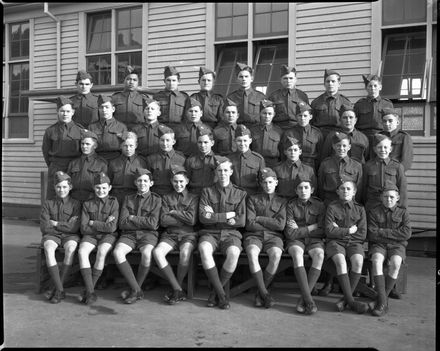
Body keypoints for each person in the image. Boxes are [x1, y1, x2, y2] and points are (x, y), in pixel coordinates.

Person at [198, 156, 247, 309]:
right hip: (210, 233)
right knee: (204, 250)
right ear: (216, 172)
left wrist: (214, 216)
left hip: (231, 234)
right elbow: (203, 218)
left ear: (231, 172)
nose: (222, 173)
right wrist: (228, 215)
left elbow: (241, 221)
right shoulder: (207, 192)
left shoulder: (240, 194)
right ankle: (222, 295)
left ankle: (214, 294)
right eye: (220, 170)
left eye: (226, 170)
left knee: (234, 253)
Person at [113, 168, 162, 304]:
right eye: (139, 181)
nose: (142, 183)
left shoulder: (156, 200)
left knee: (147, 253)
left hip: (148, 235)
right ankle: (137, 289)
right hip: (129, 235)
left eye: (145, 181)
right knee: (118, 252)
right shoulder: (128, 199)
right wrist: (142, 222)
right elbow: (122, 223)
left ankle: (135, 290)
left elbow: (153, 224)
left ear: (151, 183)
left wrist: (133, 218)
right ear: (135, 183)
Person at [153, 165, 199, 304]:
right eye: (175, 181)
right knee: (157, 252)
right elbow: (164, 220)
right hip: (170, 235)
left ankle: (176, 289)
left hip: (188, 235)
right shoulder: (166, 198)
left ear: (187, 181)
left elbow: (192, 220)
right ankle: (177, 288)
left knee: (185, 253)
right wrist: (183, 217)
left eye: (181, 181)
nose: (178, 184)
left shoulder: (193, 197)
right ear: (171, 182)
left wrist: (174, 213)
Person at [324, 178, 369, 314]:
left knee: (358, 261)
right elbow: (329, 231)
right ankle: (351, 301)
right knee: (341, 262)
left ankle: (345, 299)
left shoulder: (360, 209)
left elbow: (362, 234)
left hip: (354, 243)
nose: (345, 191)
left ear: (354, 192)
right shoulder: (332, 207)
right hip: (335, 243)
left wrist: (339, 231)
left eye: (349, 189)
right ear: (337, 191)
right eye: (342, 188)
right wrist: (348, 231)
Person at [244, 168, 287, 308]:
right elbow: (250, 224)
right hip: (254, 236)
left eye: (270, 182)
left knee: (276, 255)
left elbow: (280, 226)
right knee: (252, 253)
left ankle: (259, 293)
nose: (268, 185)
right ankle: (264, 292)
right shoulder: (253, 199)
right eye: (265, 182)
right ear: (261, 184)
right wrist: (270, 224)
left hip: (274, 237)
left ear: (276, 183)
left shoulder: (282, 201)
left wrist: (260, 218)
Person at [367, 181, 412, 316]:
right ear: (381, 198)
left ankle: (381, 300)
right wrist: (393, 234)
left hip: (397, 246)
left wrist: (382, 232)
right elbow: (372, 233)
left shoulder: (403, 213)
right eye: (386, 197)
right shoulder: (374, 212)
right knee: (376, 260)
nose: (389, 199)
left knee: (396, 263)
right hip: (379, 245)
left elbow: (406, 233)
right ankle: (383, 302)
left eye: (392, 197)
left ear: (397, 198)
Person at [285, 175, 325, 315]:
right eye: (300, 188)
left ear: (312, 190)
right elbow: (290, 234)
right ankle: (309, 300)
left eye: (306, 188)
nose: (303, 190)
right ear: (296, 191)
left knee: (319, 255)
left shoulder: (320, 205)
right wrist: (311, 228)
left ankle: (303, 299)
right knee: (297, 253)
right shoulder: (290, 205)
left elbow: (322, 230)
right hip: (297, 241)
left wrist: (300, 230)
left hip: (314, 240)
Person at [40, 171, 81, 303]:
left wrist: (56, 223)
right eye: (58, 187)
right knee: (48, 248)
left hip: (70, 236)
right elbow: (45, 227)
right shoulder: (48, 203)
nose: (61, 190)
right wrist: (66, 224)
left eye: (64, 187)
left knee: (70, 249)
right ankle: (60, 289)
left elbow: (74, 228)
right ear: (54, 187)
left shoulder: (76, 204)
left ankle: (57, 288)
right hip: (52, 235)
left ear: (70, 187)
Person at [78, 172, 119, 304]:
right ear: (94, 188)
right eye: (98, 188)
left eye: (104, 188)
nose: (101, 191)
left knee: (101, 252)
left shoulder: (114, 203)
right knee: (82, 251)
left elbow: (111, 228)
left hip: (108, 236)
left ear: (109, 188)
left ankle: (90, 290)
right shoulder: (87, 204)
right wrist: (104, 224)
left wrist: (93, 223)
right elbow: (84, 228)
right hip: (90, 235)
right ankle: (91, 292)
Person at [42, 96, 83, 200]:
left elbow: (83, 150)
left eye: (68, 111)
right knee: (53, 196)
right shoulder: (50, 131)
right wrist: (53, 165)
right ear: (57, 111)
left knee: (74, 196)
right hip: (56, 167)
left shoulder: (80, 130)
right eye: (62, 111)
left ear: (73, 112)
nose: (65, 114)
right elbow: (46, 151)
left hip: (74, 168)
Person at [362, 134, 407, 212]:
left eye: (385, 147)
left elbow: (402, 189)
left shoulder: (397, 166)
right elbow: (363, 189)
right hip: (372, 206)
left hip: (391, 206)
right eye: (379, 147)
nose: (382, 150)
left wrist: (401, 209)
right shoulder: (368, 166)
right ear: (374, 149)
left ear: (390, 149)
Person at [354, 74, 393, 160]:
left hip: (381, 137)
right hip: (363, 137)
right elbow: (354, 124)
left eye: (375, 86)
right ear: (366, 88)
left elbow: (391, 123)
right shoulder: (359, 104)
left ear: (380, 87)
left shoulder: (387, 104)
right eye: (370, 86)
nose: (372, 88)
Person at [318, 131, 363, 206]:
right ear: (333, 146)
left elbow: (359, 188)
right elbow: (320, 186)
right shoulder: (325, 164)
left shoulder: (357, 166)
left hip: (350, 204)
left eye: (344, 146)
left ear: (349, 147)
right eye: (338, 145)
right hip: (329, 203)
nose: (341, 148)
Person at [280, 101, 323, 171]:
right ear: (296, 117)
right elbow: (283, 154)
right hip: (291, 167)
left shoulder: (317, 133)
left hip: (311, 167)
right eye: (300, 115)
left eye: (305, 116)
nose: (302, 118)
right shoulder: (288, 133)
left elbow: (321, 155)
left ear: (310, 117)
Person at [67, 129, 108, 203]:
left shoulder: (102, 163)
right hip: (74, 199)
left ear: (95, 146)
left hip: (92, 201)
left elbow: (104, 185)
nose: (84, 146)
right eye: (82, 144)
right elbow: (67, 183)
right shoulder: (73, 163)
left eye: (87, 144)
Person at [108, 131, 148, 205]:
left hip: (134, 197)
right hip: (116, 196)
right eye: (125, 146)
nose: (128, 149)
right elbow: (108, 182)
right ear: (120, 146)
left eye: (131, 146)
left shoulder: (142, 162)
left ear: (136, 145)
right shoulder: (113, 163)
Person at [145, 124, 186, 196]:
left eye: (167, 140)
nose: (164, 143)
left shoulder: (181, 159)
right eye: (162, 140)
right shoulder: (151, 159)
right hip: (156, 193)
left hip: (174, 194)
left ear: (173, 142)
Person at [311, 69, 352, 140]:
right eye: (328, 81)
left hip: (339, 136)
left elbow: (350, 123)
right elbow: (311, 122)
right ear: (324, 84)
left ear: (339, 84)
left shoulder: (345, 102)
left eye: (333, 81)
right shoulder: (316, 102)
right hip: (320, 136)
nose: (330, 84)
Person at [88, 94, 128, 163]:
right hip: (97, 160)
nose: (104, 110)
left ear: (113, 109)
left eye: (107, 107)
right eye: (101, 107)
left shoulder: (121, 127)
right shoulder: (92, 127)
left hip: (116, 159)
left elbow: (125, 147)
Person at [268, 65, 309, 129]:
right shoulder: (273, 96)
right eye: (285, 78)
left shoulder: (302, 96)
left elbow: (307, 115)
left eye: (291, 78)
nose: (288, 81)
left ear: (295, 80)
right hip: (278, 129)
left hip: (297, 128)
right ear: (281, 80)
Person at [227, 62, 266, 128]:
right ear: (237, 79)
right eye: (241, 77)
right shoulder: (231, 97)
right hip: (237, 129)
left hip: (256, 129)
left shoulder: (260, 97)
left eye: (246, 76)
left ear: (251, 79)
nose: (244, 79)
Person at [228, 124, 265, 195]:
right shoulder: (229, 159)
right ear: (234, 141)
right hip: (233, 195)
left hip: (251, 195)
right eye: (239, 141)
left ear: (250, 141)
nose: (242, 144)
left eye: (245, 140)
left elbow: (262, 182)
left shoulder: (258, 159)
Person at [112, 65, 150, 131]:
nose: (131, 82)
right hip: (119, 131)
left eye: (134, 80)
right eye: (128, 79)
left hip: (138, 132)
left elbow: (148, 118)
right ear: (124, 81)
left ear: (138, 82)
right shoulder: (115, 98)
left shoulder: (143, 98)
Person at [153, 65, 190, 130]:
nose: (171, 83)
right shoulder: (157, 96)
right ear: (164, 81)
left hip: (179, 129)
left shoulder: (184, 97)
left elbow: (187, 117)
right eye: (168, 80)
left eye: (174, 80)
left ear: (179, 81)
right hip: (161, 128)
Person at [250, 99, 283, 168]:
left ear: (274, 114)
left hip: (273, 164)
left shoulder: (279, 131)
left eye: (270, 114)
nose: (267, 116)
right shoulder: (252, 130)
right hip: (255, 164)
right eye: (264, 113)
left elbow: (282, 152)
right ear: (260, 113)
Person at [184, 127, 218, 195]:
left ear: (212, 143)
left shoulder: (217, 160)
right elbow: (186, 181)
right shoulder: (190, 161)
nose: (202, 145)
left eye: (205, 142)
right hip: (194, 194)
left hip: (211, 194)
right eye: (200, 142)